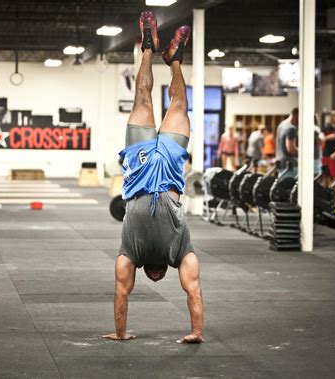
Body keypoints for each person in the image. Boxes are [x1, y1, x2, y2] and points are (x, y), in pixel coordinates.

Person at [103, 11, 203, 344]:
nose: (158, 279)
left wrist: (197, 332)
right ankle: (159, 54)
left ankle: (161, 55)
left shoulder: (154, 252)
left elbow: (192, 289)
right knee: (145, 99)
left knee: (170, 104)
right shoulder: (151, 252)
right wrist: (195, 333)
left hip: (162, 168)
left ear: (153, 270)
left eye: (155, 277)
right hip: (149, 167)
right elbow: (122, 290)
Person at [275, 108, 299, 177]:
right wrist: (304, 156)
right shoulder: (291, 128)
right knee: (290, 186)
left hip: (281, 164)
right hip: (289, 166)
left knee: (282, 186)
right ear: (296, 115)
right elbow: (291, 149)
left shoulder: (281, 125)